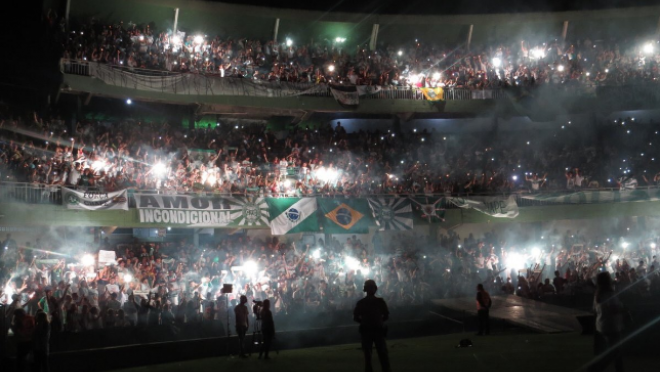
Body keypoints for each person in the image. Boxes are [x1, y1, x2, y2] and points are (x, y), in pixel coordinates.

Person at [588, 272, 625, 372]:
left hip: (602, 325)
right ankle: (594, 368)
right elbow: (614, 309)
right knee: (614, 352)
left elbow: (594, 310)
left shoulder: (597, 295)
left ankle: (619, 369)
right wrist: (623, 308)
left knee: (617, 352)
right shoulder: (609, 294)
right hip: (611, 325)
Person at [353, 280, 391, 372]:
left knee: (368, 356)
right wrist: (378, 322)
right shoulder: (380, 302)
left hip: (368, 330)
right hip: (377, 330)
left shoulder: (361, 303)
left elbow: (356, 317)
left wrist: (364, 322)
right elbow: (386, 316)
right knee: (382, 355)